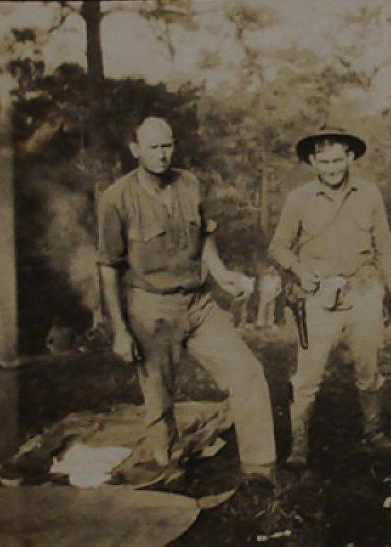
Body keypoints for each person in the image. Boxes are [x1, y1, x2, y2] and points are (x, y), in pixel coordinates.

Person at [97, 116, 277, 483]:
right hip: (151, 307)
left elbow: (204, 235)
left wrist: (221, 273)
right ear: (135, 150)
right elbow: (108, 267)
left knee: (248, 372)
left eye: (168, 146)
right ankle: (165, 466)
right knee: (159, 396)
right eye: (153, 147)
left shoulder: (190, 184)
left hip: (199, 304)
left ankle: (260, 469)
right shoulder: (116, 198)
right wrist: (119, 329)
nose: (163, 155)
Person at [269, 123, 391, 469]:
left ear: (350, 158)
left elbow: (386, 248)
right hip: (317, 296)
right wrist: (302, 272)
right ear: (313, 162)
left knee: (369, 370)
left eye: (338, 161)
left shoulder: (370, 195)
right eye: (324, 162)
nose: (332, 169)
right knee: (307, 377)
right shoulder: (299, 199)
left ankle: (373, 432)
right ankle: (300, 447)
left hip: (363, 291)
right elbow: (277, 247)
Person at [256, 264, 282, 329]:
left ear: (275, 271)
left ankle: (269, 324)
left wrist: (274, 296)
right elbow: (260, 286)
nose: (271, 272)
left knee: (270, 311)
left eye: (273, 270)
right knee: (261, 310)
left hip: (272, 295)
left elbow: (280, 289)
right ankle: (260, 324)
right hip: (264, 294)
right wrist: (261, 293)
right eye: (270, 270)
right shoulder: (265, 277)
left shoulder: (278, 279)